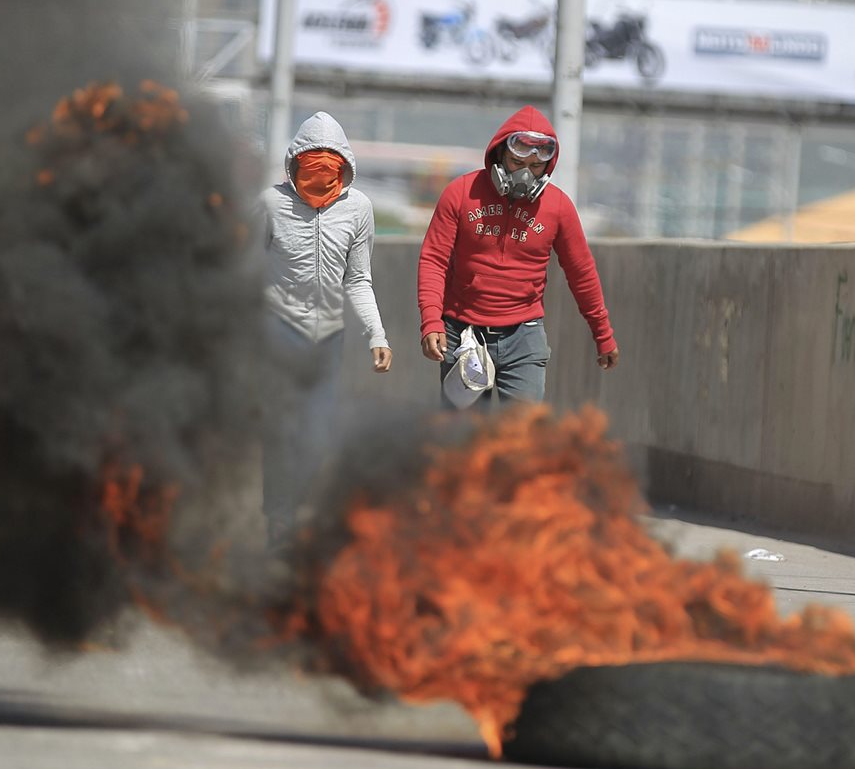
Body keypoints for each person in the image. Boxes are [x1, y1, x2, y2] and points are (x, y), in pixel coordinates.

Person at [417, 105, 618, 408]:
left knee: (524, 438)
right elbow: (434, 259)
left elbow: (581, 272)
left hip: (524, 337)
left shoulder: (559, 208)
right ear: (499, 154)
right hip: (462, 334)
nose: (524, 173)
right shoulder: (459, 193)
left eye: (536, 167)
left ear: (547, 166)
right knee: (463, 441)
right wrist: (432, 321)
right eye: (516, 161)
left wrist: (603, 333)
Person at [259, 111, 392, 553]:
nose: (318, 180)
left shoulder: (360, 210)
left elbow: (358, 279)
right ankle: (278, 520)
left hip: (327, 340)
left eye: (328, 170)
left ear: (343, 169)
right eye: (309, 168)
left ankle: (298, 509)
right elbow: (242, 269)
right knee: (280, 430)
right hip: (277, 334)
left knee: (316, 434)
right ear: (294, 165)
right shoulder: (269, 204)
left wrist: (377, 334)